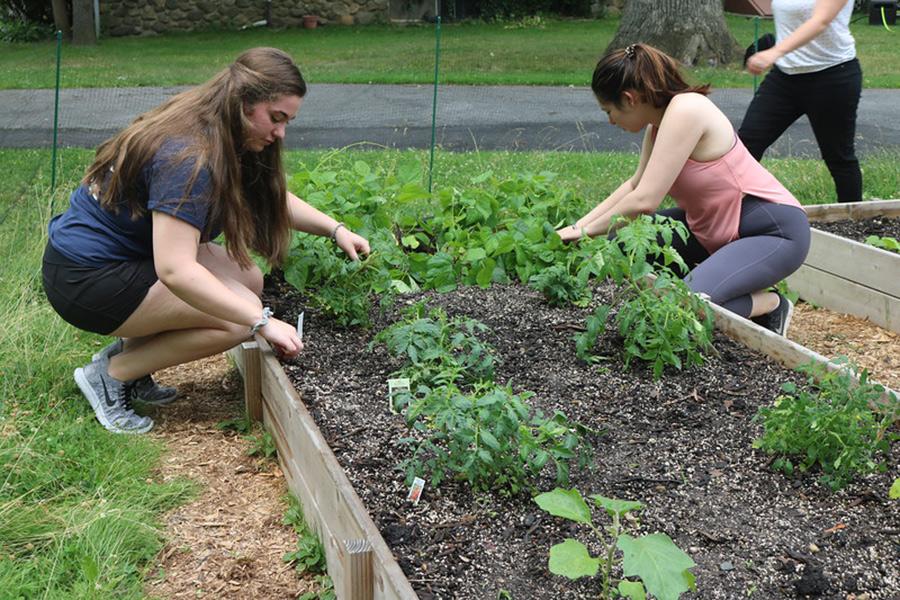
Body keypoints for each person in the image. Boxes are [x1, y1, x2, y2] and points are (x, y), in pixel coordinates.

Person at [42, 47, 370, 434]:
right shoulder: (188, 158)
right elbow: (175, 269)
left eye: (287, 121)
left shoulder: (219, 126)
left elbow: (268, 195)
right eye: (276, 118)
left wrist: (336, 229)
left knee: (248, 280)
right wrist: (261, 322)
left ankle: (135, 361)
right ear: (244, 102)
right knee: (239, 320)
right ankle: (111, 375)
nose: (280, 132)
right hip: (86, 278)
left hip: (121, 258)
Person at [557, 44, 810, 336]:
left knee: (681, 306)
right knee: (623, 243)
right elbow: (634, 184)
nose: (611, 121)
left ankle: (770, 304)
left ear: (629, 99)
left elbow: (645, 200)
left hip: (772, 232)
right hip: (714, 228)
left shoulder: (687, 109)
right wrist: (578, 226)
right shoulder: (657, 126)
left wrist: (583, 233)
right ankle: (717, 284)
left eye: (609, 111)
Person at [740, 0, 862, 203]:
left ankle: (855, 223)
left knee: (839, 158)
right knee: (745, 146)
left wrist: (774, 52)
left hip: (832, 76)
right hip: (784, 77)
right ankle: (730, 215)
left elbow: (820, 20)